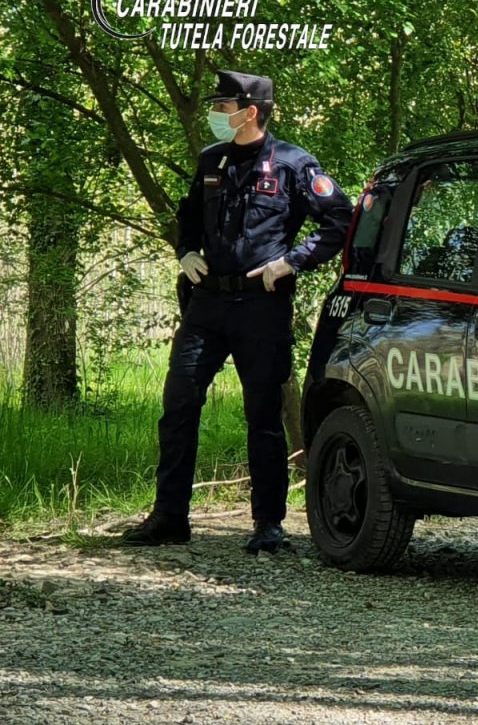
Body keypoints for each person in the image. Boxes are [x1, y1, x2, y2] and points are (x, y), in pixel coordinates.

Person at [122, 71, 353, 553]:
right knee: (179, 404)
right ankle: (169, 517)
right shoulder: (212, 159)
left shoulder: (293, 163)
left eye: (222, 107)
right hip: (206, 304)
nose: (216, 116)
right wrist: (185, 252)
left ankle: (268, 524)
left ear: (250, 112)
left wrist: (292, 261)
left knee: (262, 415)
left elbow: (339, 222)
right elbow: (189, 216)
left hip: (260, 307)